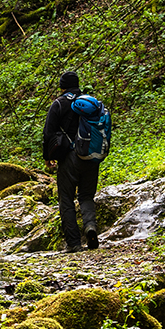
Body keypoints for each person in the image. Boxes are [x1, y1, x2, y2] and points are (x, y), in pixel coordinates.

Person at [41, 69, 105, 253]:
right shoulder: (90, 103)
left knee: (66, 199)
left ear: (62, 86)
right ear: (77, 84)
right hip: (91, 156)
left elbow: (48, 133)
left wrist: (48, 157)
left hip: (69, 158)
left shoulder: (59, 104)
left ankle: (74, 243)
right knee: (86, 196)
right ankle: (90, 227)